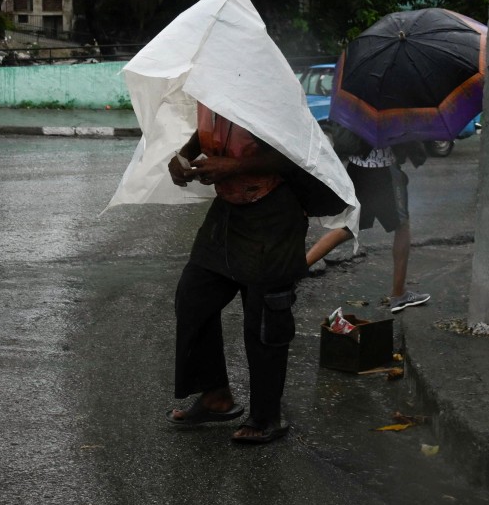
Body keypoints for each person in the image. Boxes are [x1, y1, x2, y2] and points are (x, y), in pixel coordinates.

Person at [165, 103, 310, 445]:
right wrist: (183, 156)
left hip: (274, 212)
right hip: (229, 211)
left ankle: (266, 416)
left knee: (263, 319)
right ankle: (216, 396)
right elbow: (208, 131)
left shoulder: (264, 83)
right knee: (193, 297)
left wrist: (234, 165)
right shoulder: (210, 82)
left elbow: (293, 154)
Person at [304, 138, 431, 313]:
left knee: (348, 228)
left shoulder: (356, 110)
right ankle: (398, 294)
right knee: (402, 227)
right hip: (384, 174)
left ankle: (295, 271)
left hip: (357, 170)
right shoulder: (388, 112)